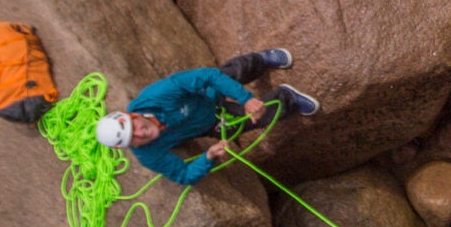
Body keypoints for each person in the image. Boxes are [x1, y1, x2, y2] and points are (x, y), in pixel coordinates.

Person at [95, 48, 320, 187]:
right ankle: (287, 98)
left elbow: (207, 77)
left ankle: (261, 60)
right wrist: (208, 156)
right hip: (208, 123)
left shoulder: (156, 96)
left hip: (207, 94)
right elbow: (183, 175)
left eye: (133, 126)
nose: (140, 133)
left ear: (131, 115)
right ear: (128, 147)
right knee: (244, 124)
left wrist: (246, 98)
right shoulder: (148, 155)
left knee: (227, 74)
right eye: (132, 138)